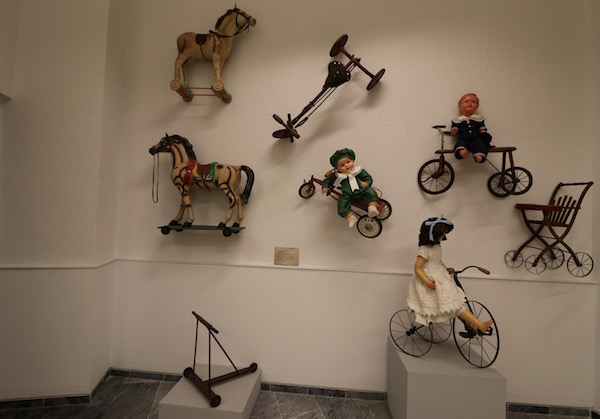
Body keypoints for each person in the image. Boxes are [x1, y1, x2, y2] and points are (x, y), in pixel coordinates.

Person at [406, 216, 493, 333]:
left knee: (455, 303)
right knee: (453, 304)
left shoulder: (437, 247)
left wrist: (446, 269)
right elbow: (417, 268)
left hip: (440, 277)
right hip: (431, 281)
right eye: (441, 233)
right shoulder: (424, 250)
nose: (443, 236)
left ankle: (473, 325)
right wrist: (427, 281)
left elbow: (438, 261)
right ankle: (479, 325)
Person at [321, 148, 379, 228]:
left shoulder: (358, 171)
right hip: (347, 194)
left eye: (348, 162)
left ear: (352, 160)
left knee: (371, 192)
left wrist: (366, 183)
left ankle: (372, 208)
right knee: (341, 203)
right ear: (337, 168)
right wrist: (324, 187)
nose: (346, 165)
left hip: (361, 190)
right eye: (342, 165)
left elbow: (368, 178)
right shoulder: (337, 175)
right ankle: (350, 218)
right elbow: (327, 180)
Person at [451, 93, 492, 163]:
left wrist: (483, 131)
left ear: (477, 106)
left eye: (473, 102)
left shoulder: (478, 118)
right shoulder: (458, 119)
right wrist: (454, 131)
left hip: (476, 139)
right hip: (463, 139)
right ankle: (462, 152)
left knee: (481, 146)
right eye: (466, 101)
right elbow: (455, 129)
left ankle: (479, 156)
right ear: (459, 105)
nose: (470, 103)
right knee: (459, 145)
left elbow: (481, 127)